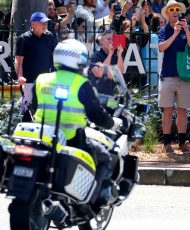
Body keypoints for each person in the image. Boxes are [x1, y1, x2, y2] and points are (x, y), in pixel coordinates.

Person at [25, 39, 121, 213]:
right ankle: (88, 204)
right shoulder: (80, 83)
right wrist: (112, 123)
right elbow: (96, 115)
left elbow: (33, 106)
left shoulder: (42, 79)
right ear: (77, 59)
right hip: (71, 139)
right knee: (104, 157)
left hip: (42, 137)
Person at [158, 0, 190, 153]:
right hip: (168, 76)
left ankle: (182, 143)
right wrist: (174, 34)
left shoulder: (188, 28)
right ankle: (167, 144)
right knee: (167, 111)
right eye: (171, 9)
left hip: (185, 76)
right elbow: (161, 48)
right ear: (167, 13)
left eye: (177, 9)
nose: (174, 11)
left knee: (182, 111)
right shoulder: (163, 30)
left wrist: (186, 31)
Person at [15, 12, 59, 121]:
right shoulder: (24, 38)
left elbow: (56, 56)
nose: (45, 25)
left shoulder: (49, 36)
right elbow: (18, 60)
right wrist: (20, 76)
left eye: (45, 22)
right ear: (33, 23)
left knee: (46, 112)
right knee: (28, 112)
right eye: (41, 22)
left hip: (46, 82)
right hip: (29, 82)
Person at [89, 30, 125, 95]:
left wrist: (119, 55)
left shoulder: (116, 57)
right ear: (101, 41)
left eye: (113, 39)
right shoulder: (96, 56)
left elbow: (120, 72)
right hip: (96, 95)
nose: (111, 41)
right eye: (108, 39)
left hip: (110, 95)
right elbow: (99, 73)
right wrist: (110, 55)